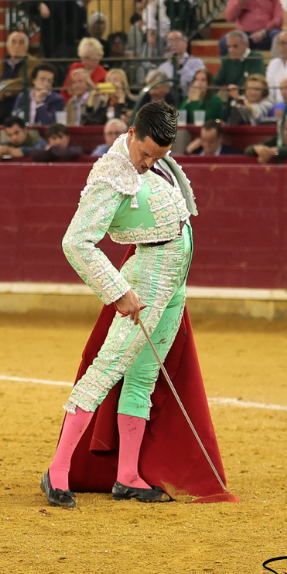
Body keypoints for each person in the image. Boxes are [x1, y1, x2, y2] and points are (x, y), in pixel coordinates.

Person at [42, 104, 200, 506]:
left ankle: (127, 476)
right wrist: (117, 290)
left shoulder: (155, 160)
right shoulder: (110, 175)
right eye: (144, 153)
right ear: (131, 133)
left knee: (144, 377)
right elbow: (75, 242)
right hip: (146, 280)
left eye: (158, 156)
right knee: (107, 368)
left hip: (174, 281)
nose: (148, 163)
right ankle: (57, 471)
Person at [29, 0, 86, 66]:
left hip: (65, 41)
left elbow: (81, 15)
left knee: (60, 66)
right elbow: (29, 7)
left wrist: (71, 35)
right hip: (47, 39)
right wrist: (39, 4)